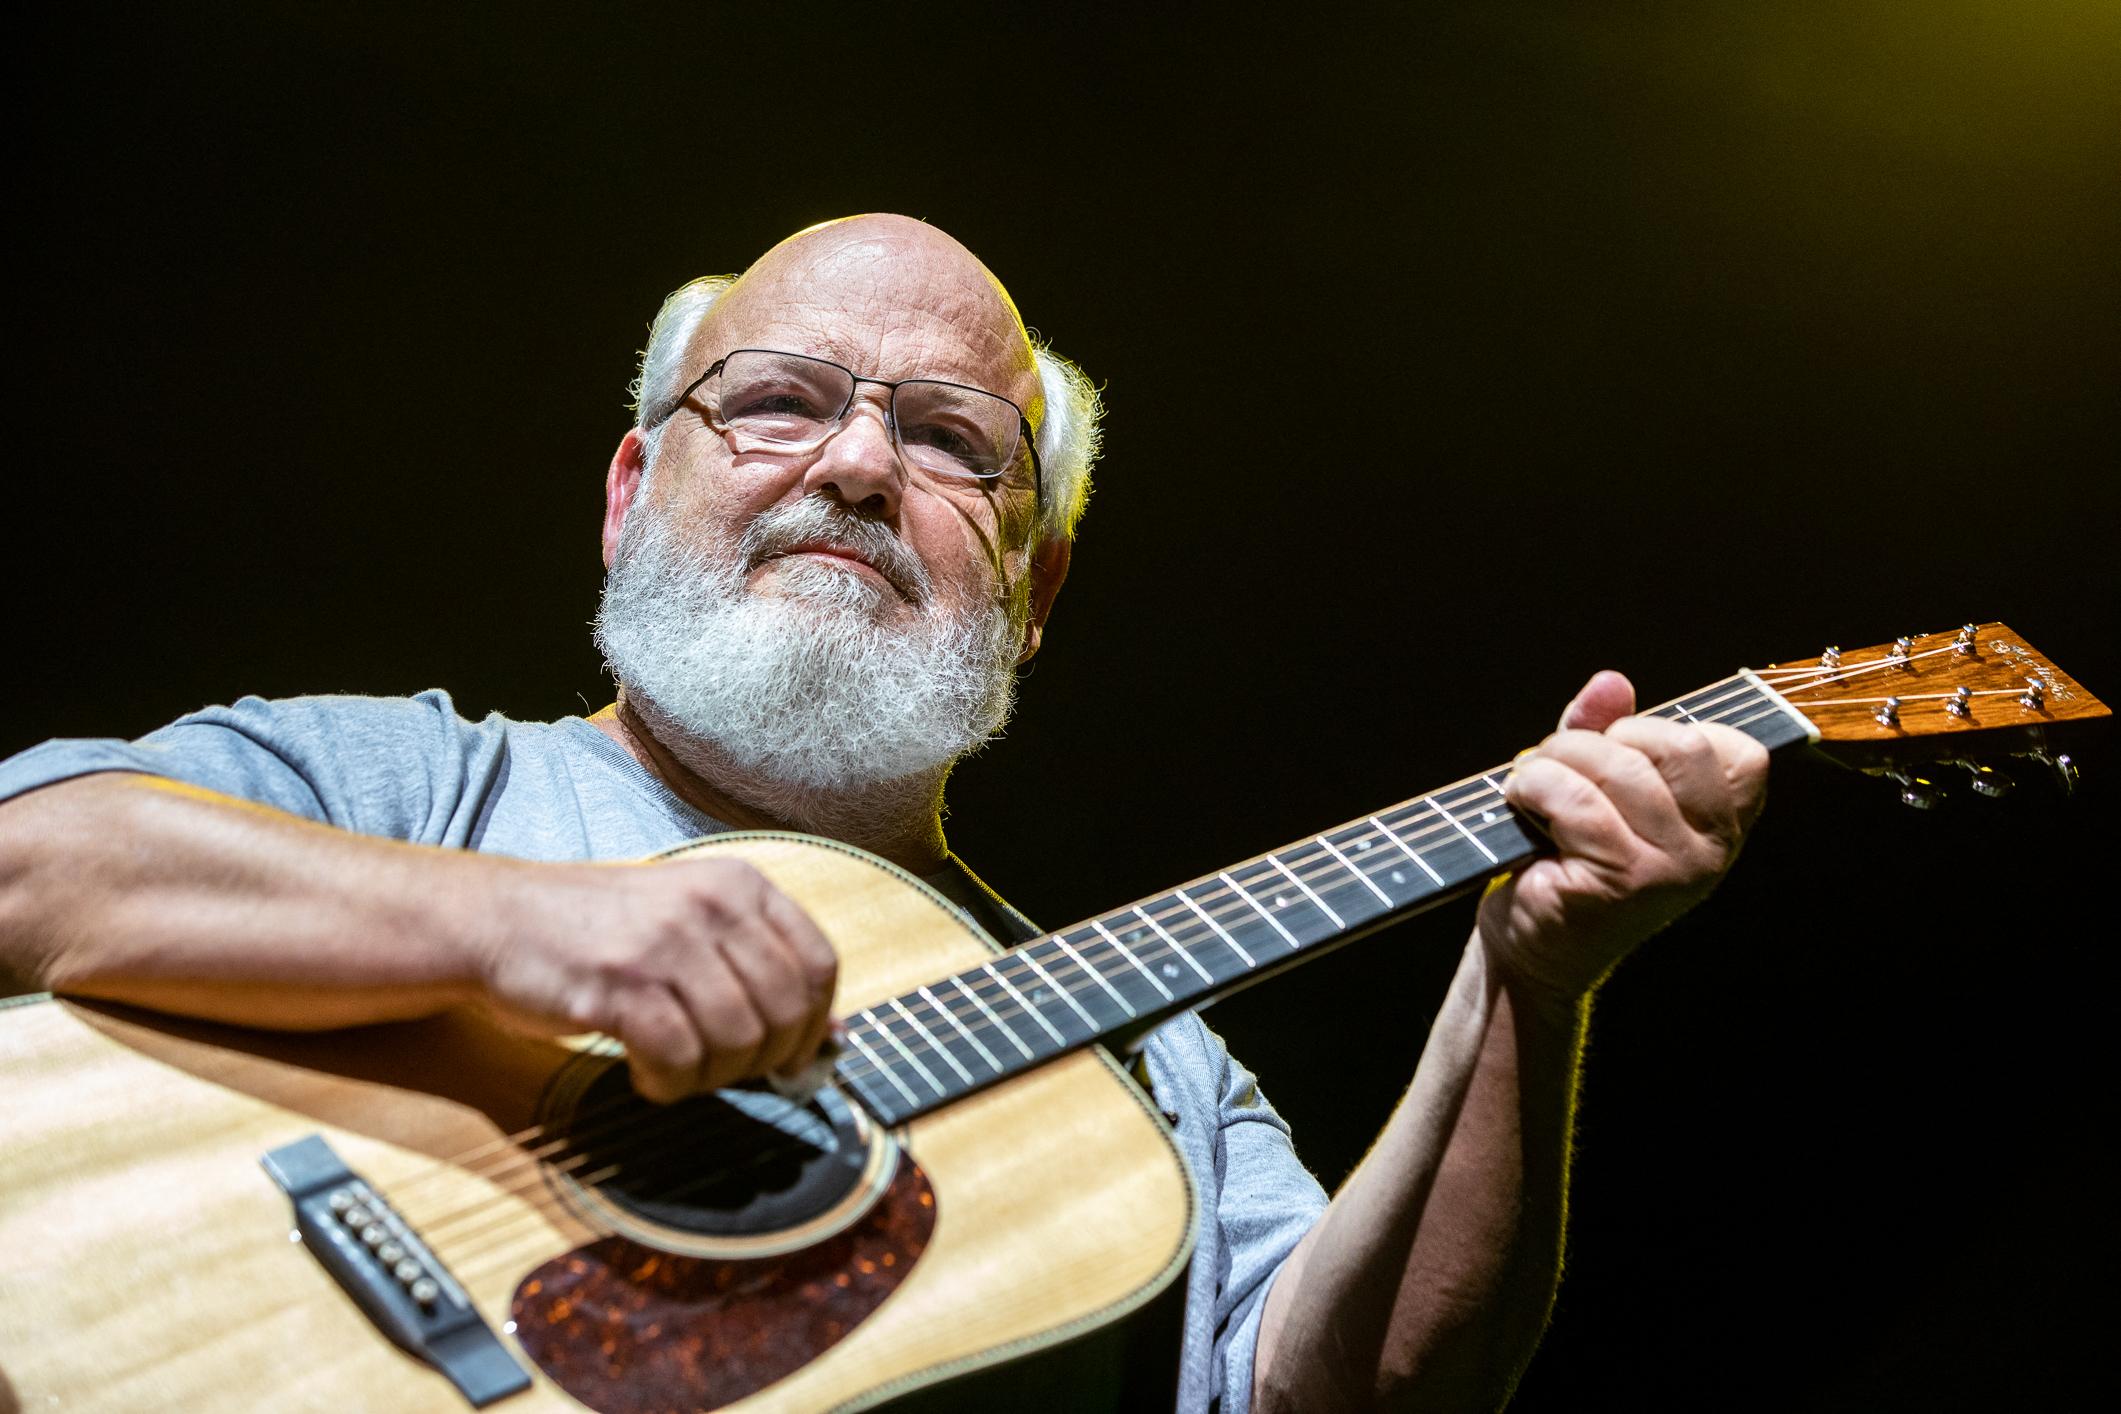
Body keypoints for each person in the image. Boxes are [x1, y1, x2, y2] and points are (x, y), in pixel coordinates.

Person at [0, 214, 1768, 1411]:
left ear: (1036, 579)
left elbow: (1332, 1387)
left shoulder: (1149, 1068)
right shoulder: (404, 779)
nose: (853, 465)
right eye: (774, 402)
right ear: (630, 492)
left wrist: (1526, 987)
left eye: (947, 441)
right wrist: (524, 927)